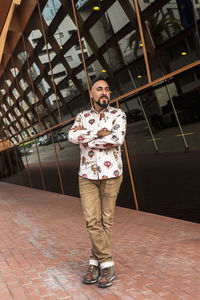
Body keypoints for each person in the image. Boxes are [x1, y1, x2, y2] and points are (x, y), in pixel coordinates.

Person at [68, 78, 126, 288]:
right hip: (87, 176)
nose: (104, 93)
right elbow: (71, 136)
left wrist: (89, 141)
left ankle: (94, 263)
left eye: (107, 89)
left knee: (105, 220)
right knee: (92, 221)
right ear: (91, 94)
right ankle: (107, 264)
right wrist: (96, 134)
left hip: (112, 174)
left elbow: (117, 139)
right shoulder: (82, 116)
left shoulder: (118, 114)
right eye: (99, 89)